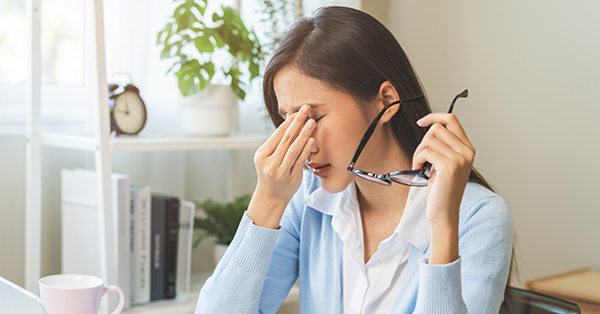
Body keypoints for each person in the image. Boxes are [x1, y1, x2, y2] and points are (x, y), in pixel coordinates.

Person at [195, 6, 513, 314]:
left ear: (386, 101)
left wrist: (443, 224)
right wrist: (268, 197)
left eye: (314, 117)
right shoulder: (306, 201)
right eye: (287, 121)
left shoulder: (479, 218)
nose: (302, 143)